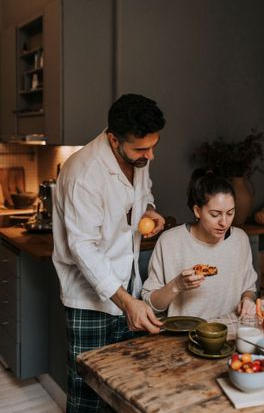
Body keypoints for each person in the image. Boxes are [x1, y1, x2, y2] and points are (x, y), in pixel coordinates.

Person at [52, 93, 166, 413]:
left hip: (127, 286)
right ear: (114, 139)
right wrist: (127, 301)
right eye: (142, 149)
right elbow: (82, 247)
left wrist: (150, 209)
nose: (150, 155)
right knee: (88, 393)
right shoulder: (83, 175)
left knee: (125, 386)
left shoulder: (136, 158)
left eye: (153, 145)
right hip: (90, 299)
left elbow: (140, 193)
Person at [141, 169, 257, 319]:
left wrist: (248, 300)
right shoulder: (170, 241)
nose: (224, 222)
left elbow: (249, 289)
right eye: (215, 214)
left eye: (230, 213)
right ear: (197, 211)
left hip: (230, 331)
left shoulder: (240, 240)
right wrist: (176, 285)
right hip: (183, 334)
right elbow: (151, 305)